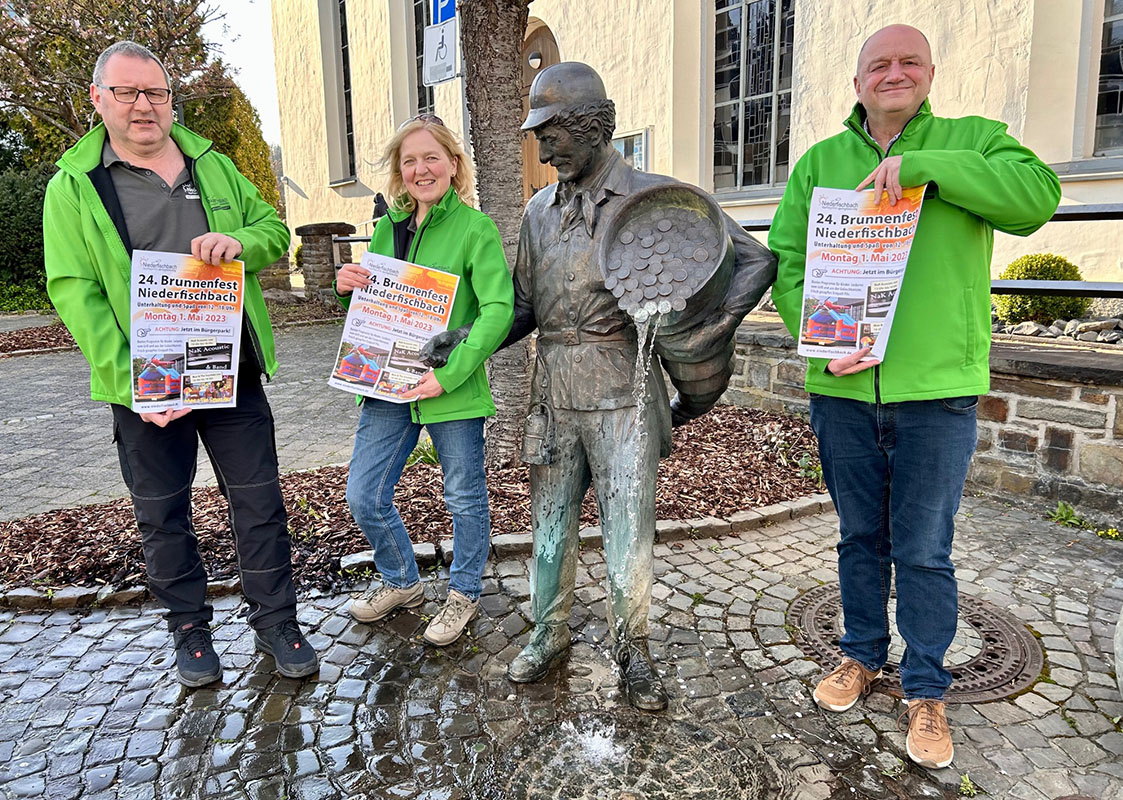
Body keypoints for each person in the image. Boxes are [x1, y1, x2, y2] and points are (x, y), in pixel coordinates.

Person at [765, 25, 1060, 767]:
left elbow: (1035, 200)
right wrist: (821, 338)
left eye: (908, 63)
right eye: (878, 65)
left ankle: (926, 688)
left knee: (924, 551)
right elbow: (789, 262)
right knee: (860, 537)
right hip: (843, 390)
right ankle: (860, 655)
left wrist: (918, 164)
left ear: (929, 72)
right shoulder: (820, 164)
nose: (893, 74)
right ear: (858, 80)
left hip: (937, 393)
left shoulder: (976, 141)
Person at [492, 62, 776, 710]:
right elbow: (524, 306)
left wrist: (713, 332)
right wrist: (466, 342)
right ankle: (548, 635)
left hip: (625, 391)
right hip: (553, 391)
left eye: (553, 132)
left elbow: (758, 260)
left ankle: (633, 652)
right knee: (551, 526)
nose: (541, 146)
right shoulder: (539, 211)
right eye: (538, 133)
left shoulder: (655, 202)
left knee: (628, 530)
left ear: (593, 127)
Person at [43, 41, 318, 687]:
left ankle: (276, 620)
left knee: (259, 503)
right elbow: (73, 289)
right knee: (163, 513)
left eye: (157, 92)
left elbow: (274, 230)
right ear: (98, 99)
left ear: (171, 98)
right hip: (147, 387)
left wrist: (241, 242)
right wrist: (135, 382)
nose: (145, 106)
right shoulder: (75, 186)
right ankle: (189, 631)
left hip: (233, 371)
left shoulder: (213, 165)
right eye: (128, 92)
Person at [335, 115, 513, 646]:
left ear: (453, 165)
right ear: (399, 172)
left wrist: (450, 374)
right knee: (364, 494)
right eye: (409, 160)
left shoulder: (475, 229)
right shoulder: (388, 228)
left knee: (463, 497)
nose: (420, 169)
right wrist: (350, 287)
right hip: (388, 388)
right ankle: (402, 582)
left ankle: (463, 595)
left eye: (431, 157)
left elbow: (499, 310)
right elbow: (379, 307)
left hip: (450, 390)